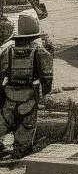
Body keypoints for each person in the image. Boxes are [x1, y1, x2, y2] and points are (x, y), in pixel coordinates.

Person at [0, 10, 54, 158]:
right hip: (29, 96)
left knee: (3, 123)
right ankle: (19, 153)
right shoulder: (40, 52)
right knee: (26, 127)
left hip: (9, 95)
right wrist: (44, 95)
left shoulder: (7, 51)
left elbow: (0, 74)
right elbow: (47, 78)